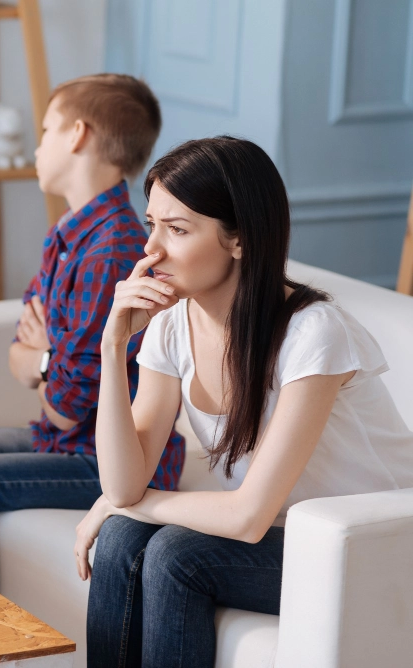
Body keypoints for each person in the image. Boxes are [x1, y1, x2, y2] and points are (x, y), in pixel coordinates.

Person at [75, 136, 413, 668]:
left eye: (178, 229)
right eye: (152, 225)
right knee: (121, 536)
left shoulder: (313, 333)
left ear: (240, 240)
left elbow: (247, 518)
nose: (151, 251)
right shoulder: (169, 327)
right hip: (285, 539)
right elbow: (122, 483)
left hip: (376, 549)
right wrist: (112, 345)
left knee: (174, 555)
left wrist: (126, 502)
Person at [0, 74, 185, 586]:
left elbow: (64, 407)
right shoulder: (67, 235)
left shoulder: (111, 249)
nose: (36, 144)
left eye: (46, 130)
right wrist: (46, 359)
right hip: (60, 442)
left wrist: (44, 360)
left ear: (77, 135)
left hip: (102, 459)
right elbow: (19, 351)